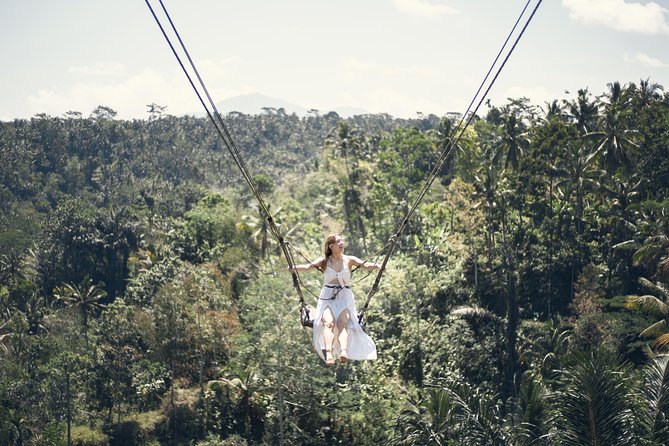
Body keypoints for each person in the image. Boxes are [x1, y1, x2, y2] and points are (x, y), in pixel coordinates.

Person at [289, 234, 382, 366]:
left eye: (342, 241)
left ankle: (344, 352)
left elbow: (365, 265)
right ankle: (329, 353)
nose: (341, 243)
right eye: (338, 241)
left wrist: (378, 266)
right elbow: (307, 267)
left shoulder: (349, 260)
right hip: (328, 296)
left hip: (344, 296)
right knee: (329, 323)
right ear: (331, 246)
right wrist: (293, 267)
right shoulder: (324, 261)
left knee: (342, 323)